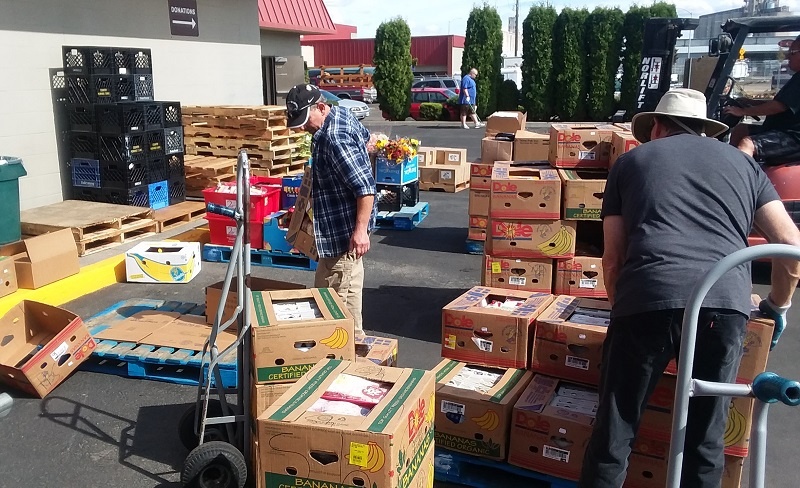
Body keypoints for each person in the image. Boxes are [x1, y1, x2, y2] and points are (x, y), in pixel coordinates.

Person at [578, 88, 800, 488]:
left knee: (616, 430)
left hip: (648, 296)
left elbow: (614, 259)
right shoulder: (745, 166)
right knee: (706, 438)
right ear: (704, 130)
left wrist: (624, 309)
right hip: (724, 302)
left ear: (658, 126)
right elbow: (791, 247)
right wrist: (777, 307)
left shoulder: (630, 163)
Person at [285, 83, 377, 332]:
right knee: (330, 295)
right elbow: (370, 141)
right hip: (334, 231)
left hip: (343, 236)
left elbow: (365, 188)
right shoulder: (341, 115)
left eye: (305, 121)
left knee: (338, 306)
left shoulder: (335, 138)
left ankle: (348, 357)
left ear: (322, 107)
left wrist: (360, 232)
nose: (303, 128)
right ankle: (348, 352)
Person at [724, 35, 800, 162]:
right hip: (782, 130)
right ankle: (729, 165)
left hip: (793, 137)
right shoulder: (797, 78)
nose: (787, 56)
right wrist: (751, 102)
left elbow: (779, 106)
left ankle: (737, 179)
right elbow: (783, 103)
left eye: (792, 52)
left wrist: (743, 112)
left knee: (748, 143)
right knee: (740, 130)